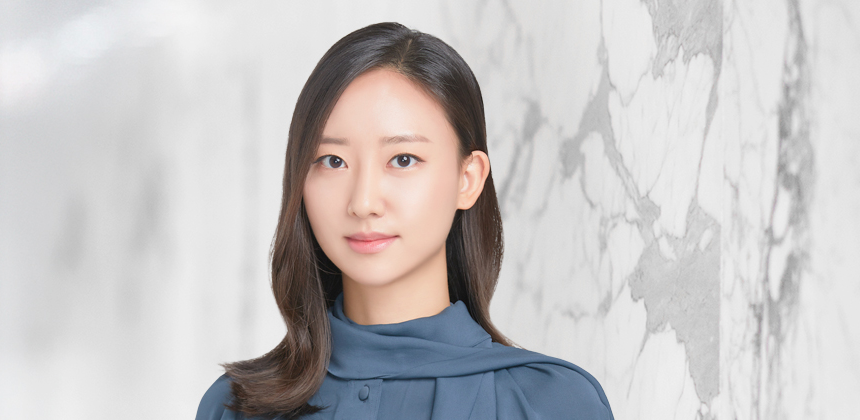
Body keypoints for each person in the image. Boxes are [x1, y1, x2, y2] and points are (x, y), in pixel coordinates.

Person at [195, 22, 614, 420]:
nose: (363, 203)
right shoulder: (237, 405)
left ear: (468, 179)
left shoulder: (551, 403)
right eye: (333, 161)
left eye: (403, 159)